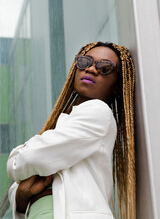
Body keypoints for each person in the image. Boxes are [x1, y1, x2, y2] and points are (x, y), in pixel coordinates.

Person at [7, 42, 136, 219]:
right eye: (84, 62)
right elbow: (20, 184)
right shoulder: (66, 124)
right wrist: (21, 195)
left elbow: (29, 158)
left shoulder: (98, 113)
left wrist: (16, 159)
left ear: (116, 86)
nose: (91, 69)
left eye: (105, 67)